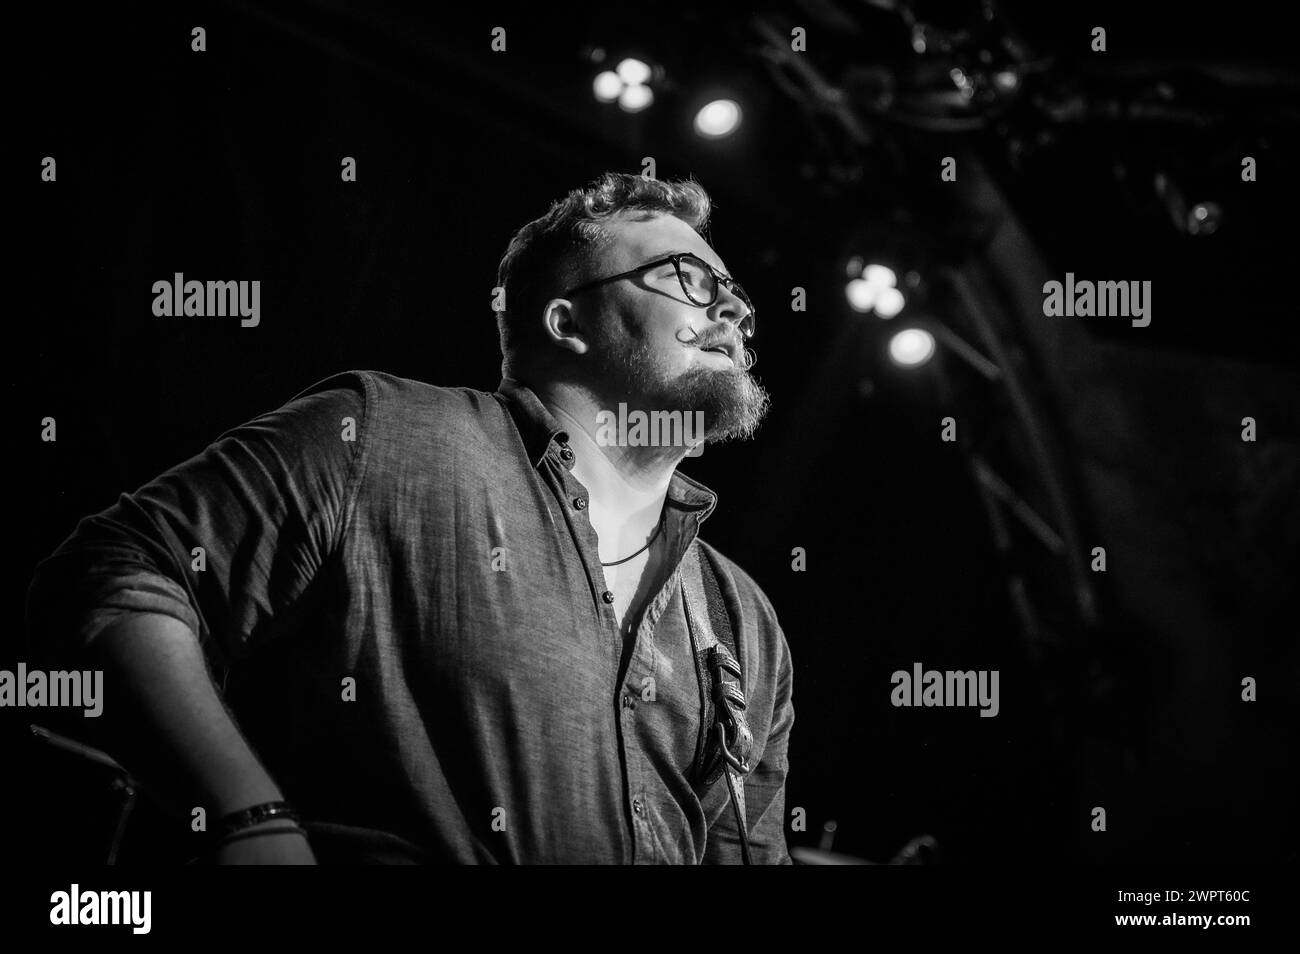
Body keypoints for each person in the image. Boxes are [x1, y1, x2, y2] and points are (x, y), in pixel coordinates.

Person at [25, 172, 795, 864]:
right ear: (567, 321)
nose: (730, 307)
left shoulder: (742, 619)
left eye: (735, 296)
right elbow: (113, 573)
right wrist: (245, 818)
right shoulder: (383, 435)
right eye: (688, 277)